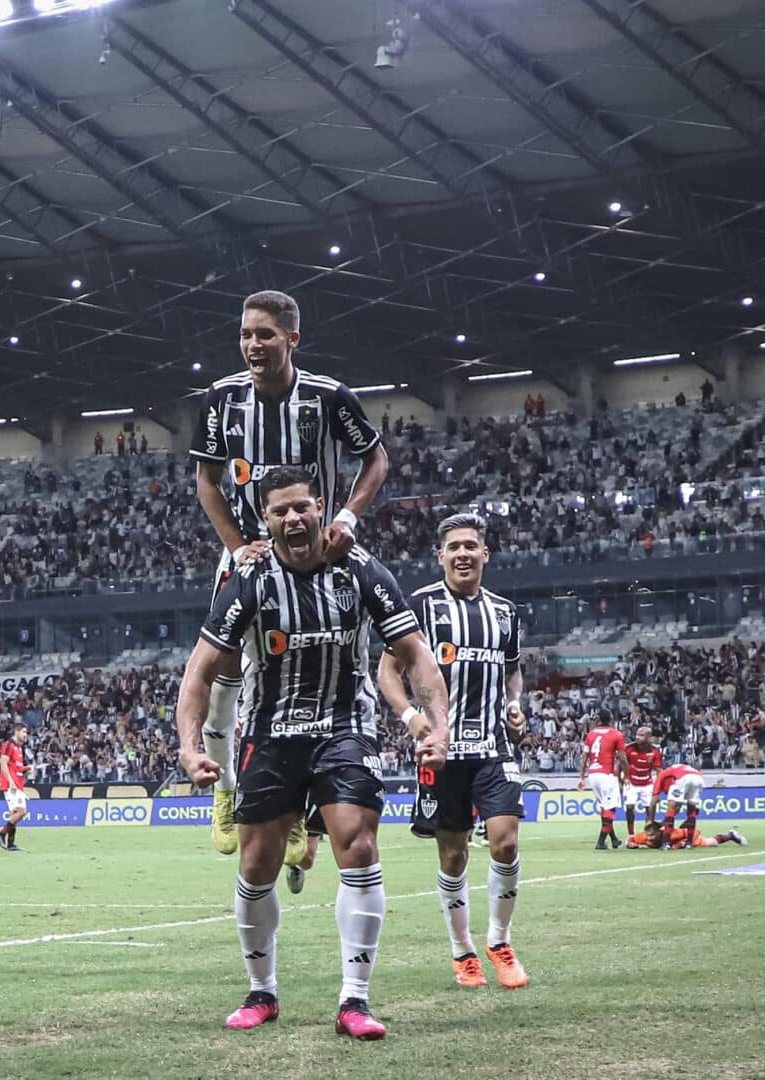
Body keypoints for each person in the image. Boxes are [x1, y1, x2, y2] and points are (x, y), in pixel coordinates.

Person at [176, 467, 448, 1040]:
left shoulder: (360, 570)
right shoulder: (248, 581)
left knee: (359, 843)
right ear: (266, 520)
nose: (293, 518)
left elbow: (415, 654)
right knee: (257, 864)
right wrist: (189, 745)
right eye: (280, 511)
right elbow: (199, 670)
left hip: (345, 727)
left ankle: (355, 1000)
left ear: (320, 507)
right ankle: (262, 991)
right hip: (271, 734)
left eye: (301, 507)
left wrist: (437, 726)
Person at [190, 289, 390, 862]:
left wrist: (348, 516)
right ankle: (229, 790)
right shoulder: (223, 399)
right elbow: (208, 481)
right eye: (246, 334)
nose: (252, 345)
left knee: (325, 659)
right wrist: (239, 546)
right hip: (252, 552)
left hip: (320, 551)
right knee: (225, 661)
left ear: (291, 339)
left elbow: (375, 457)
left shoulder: (328, 397)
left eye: (264, 335)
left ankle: (308, 797)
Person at [378, 512, 529, 990]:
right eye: (454, 547)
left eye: (471, 545)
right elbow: (386, 672)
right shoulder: (418, 605)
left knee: (505, 840)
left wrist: (515, 703)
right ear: (440, 556)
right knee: (453, 856)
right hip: (441, 752)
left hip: (493, 746)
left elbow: (513, 670)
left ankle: (500, 941)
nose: (463, 553)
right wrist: (410, 718)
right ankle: (462, 952)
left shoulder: (505, 612)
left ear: (485, 554)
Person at [577, 714, 628, 849]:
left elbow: (584, 757)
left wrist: (581, 776)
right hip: (607, 775)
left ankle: (614, 839)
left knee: (604, 807)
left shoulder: (591, 734)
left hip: (593, 775)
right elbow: (622, 758)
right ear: (612, 720)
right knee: (610, 809)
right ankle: (600, 842)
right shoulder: (616, 734)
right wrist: (627, 776)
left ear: (598, 721)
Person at [622, 725, 663, 835]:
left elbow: (659, 771)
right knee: (629, 807)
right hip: (631, 783)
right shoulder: (629, 748)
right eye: (637, 734)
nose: (637, 737)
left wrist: (658, 790)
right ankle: (631, 835)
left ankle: (648, 833)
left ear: (649, 737)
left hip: (647, 783)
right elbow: (620, 764)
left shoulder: (655, 751)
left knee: (650, 809)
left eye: (641, 735)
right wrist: (624, 778)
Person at [0, 724, 29, 852]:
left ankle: (11, 843)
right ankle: (1, 834)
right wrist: (10, 781)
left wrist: (27, 769)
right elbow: (3, 762)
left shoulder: (19, 748)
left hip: (18, 783)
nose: (25, 735)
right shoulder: (9, 744)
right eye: (23, 732)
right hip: (11, 784)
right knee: (21, 811)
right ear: (16, 731)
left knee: (15, 813)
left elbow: (17, 767)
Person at [652, 761, 708, 838]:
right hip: (699, 778)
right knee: (692, 810)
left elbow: (654, 799)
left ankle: (666, 843)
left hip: (683, 777)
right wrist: (663, 823)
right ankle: (689, 843)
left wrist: (650, 820)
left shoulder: (663, 773)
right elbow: (677, 807)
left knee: (671, 806)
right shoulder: (681, 769)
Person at [626, 818, 747, 849]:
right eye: (648, 835)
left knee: (712, 842)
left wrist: (684, 842)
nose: (649, 838)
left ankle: (731, 835)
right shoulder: (643, 837)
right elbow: (631, 839)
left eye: (652, 835)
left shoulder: (671, 834)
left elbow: (695, 831)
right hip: (679, 840)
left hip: (688, 839)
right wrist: (630, 844)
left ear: (659, 832)